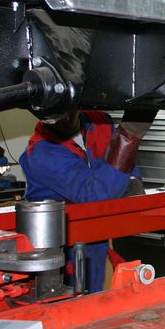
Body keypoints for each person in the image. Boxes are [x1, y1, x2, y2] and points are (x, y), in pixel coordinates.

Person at [20, 110, 144, 293]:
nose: (60, 117)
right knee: (67, 300)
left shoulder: (100, 123)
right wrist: (131, 132)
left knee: (96, 295)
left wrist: (130, 180)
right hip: (60, 246)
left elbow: (127, 166)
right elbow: (96, 194)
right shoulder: (42, 152)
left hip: (96, 236)